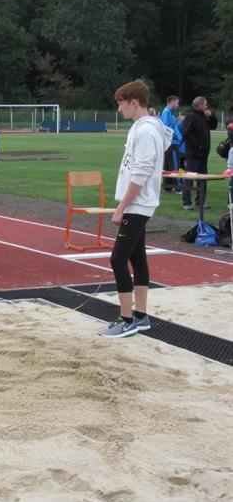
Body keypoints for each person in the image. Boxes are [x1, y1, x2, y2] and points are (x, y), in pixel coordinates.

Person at [99, 79, 171, 338]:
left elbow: (139, 175)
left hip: (138, 204)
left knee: (117, 258)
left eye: (121, 104)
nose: (119, 109)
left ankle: (126, 318)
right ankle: (141, 316)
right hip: (138, 203)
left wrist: (121, 207)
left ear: (134, 102)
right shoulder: (140, 128)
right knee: (137, 258)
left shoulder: (146, 131)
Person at [181, 96, 218, 210]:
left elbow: (213, 126)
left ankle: (200, 202)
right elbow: (186, 133)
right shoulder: (191, 116)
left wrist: (211, 116)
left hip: (203, 154)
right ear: (200, 105)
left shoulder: (204, 116)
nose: (206, 107)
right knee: (189, 178)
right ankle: (186, 202)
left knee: (203, 179)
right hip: (193, 154)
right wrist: (198, 145)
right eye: (205, 104)